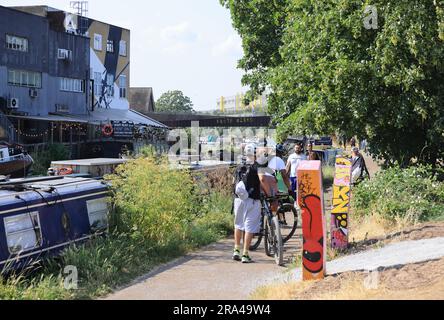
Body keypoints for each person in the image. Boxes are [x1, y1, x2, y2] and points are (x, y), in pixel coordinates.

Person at [233, 144, 262, 263]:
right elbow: (263, 180)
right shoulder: (257, 166)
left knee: (238, 224)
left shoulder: (239, 166)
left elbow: (233, 182)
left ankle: (236, 250)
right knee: (249, 226)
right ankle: (245, 254)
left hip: (238, 199)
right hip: (253, 199)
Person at [256, 144, 292, 213]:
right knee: (274, 200)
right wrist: (289, 189)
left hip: (257, 179)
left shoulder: (262, 157)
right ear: (280, 153)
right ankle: (273, 218)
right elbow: (284, 175)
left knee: (260, 201)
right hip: (269, 180)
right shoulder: (278, 160)